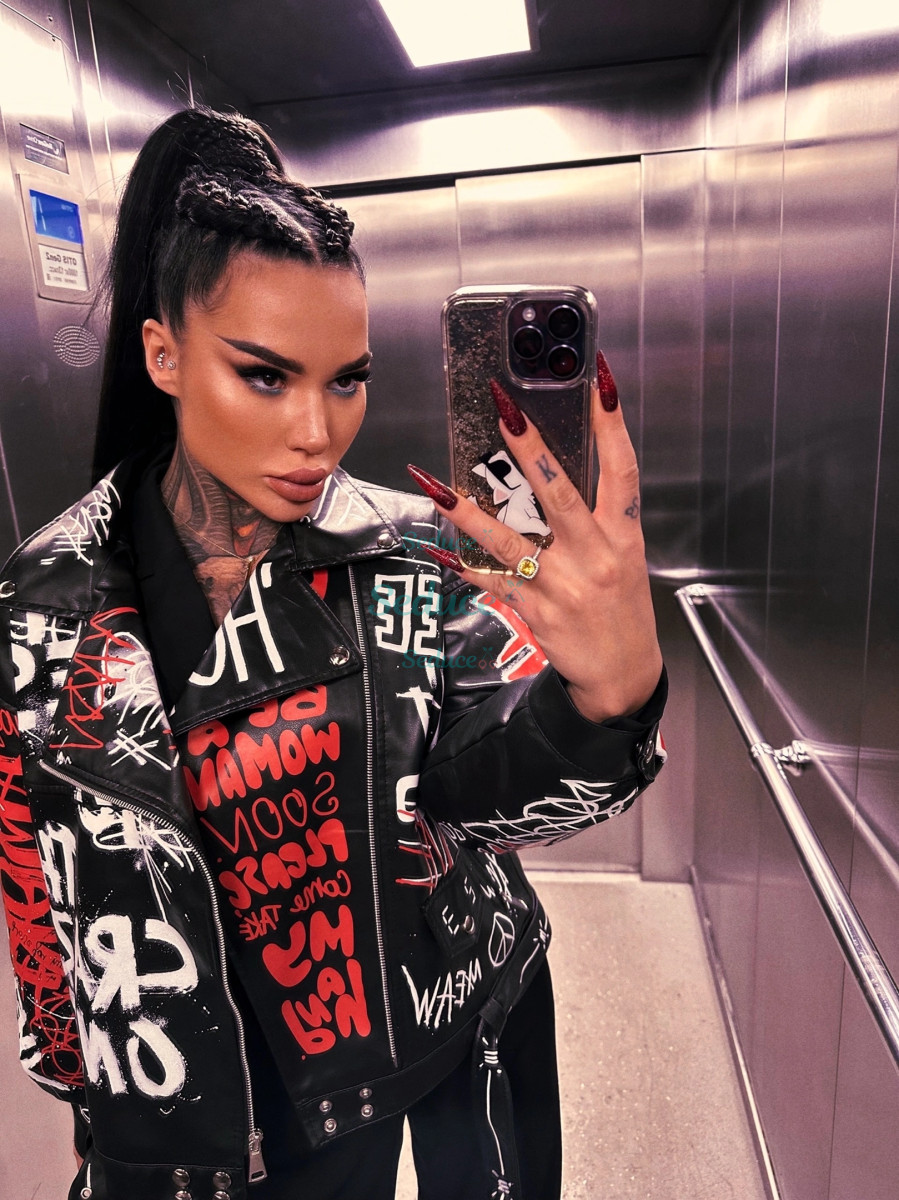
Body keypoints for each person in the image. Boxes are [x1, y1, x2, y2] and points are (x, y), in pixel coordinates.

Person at [0, 107, 666, 1200]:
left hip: (430, 1026)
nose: (318, 432)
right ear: (163, 354)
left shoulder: (406, 553)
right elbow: (41, 880)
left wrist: (609, 696)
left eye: (345, 378)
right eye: (265, 376)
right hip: (203, 1093)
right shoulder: (44, 597)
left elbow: (486, 798)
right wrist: (88, 1090)